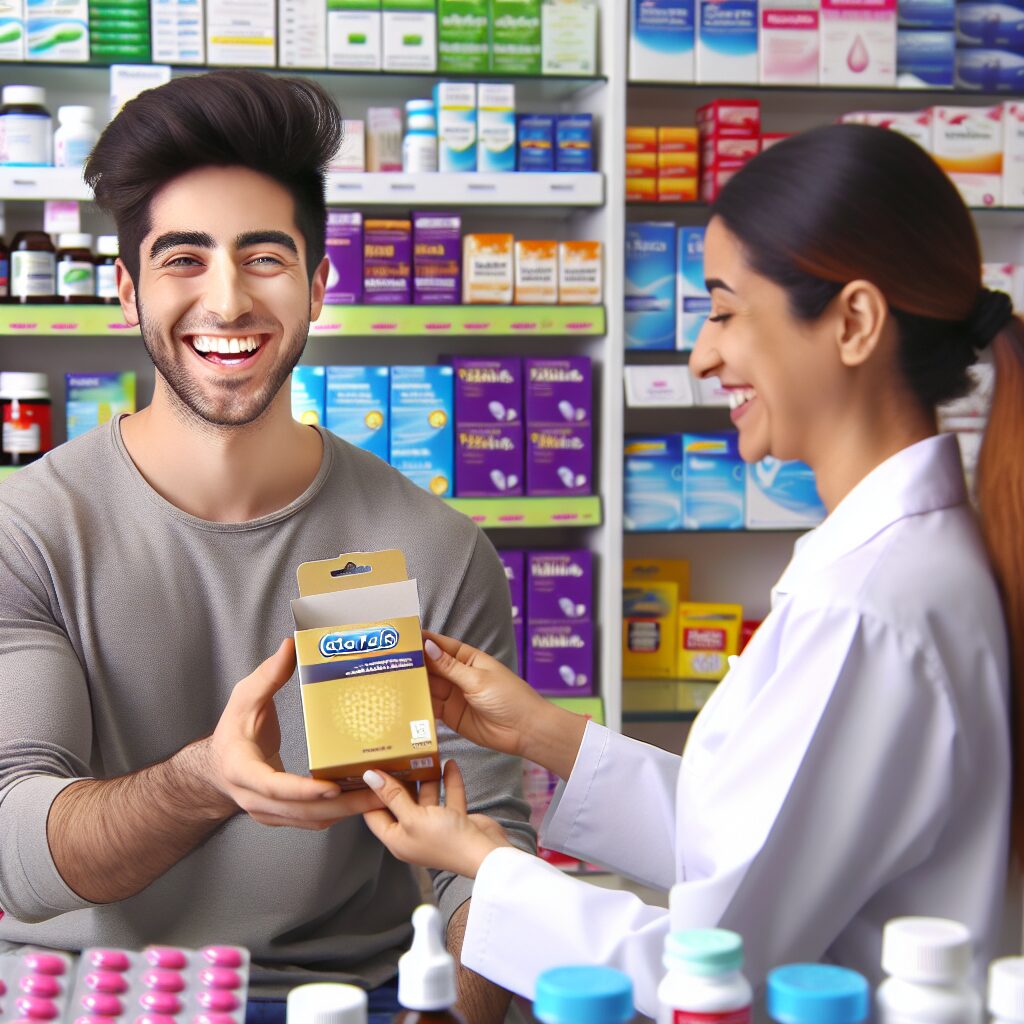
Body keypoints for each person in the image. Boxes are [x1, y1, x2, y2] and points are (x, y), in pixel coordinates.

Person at [356, 123, 1024, 1017]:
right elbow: (757, 837)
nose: (702, 355)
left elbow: (709, 970)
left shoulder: (869, 608)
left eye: (723, 310)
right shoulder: (896, 564)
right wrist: (542, 734)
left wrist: (482, 862)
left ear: (854, 322)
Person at [0, 70, 533, 1024]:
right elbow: (18, 858)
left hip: (340, 999)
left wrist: (473, 977)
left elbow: (484, 868)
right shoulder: (30, 530)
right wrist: (207, 780)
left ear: (320, 284)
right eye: (183, 258)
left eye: (265, 256)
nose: (228, 298)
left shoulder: (430, 548)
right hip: (71, 998)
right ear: (125, 291)